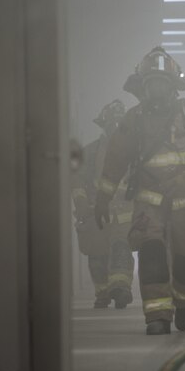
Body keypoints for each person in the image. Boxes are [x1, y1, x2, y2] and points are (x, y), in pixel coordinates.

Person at [94, 47, 185, 335]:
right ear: (143, 86)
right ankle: (157, 317)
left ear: (173, 86)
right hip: (149, 204)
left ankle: (184, 299)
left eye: (162, 82)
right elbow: (115, 160)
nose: (157, 89)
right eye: (151, 83)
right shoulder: (133, 119)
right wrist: (102, 197)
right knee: (151, 258)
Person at [72, 100, 135, 309]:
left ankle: (121, 290)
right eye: (112, 123)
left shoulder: (136, 151)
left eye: (120, 124)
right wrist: (81, 202)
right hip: (96, 212)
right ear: (104, 125)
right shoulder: (90, 152)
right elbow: (78, 181)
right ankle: (102, 294)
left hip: (125, 213)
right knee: (97, 254)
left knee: (121, 249)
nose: (116, 128)